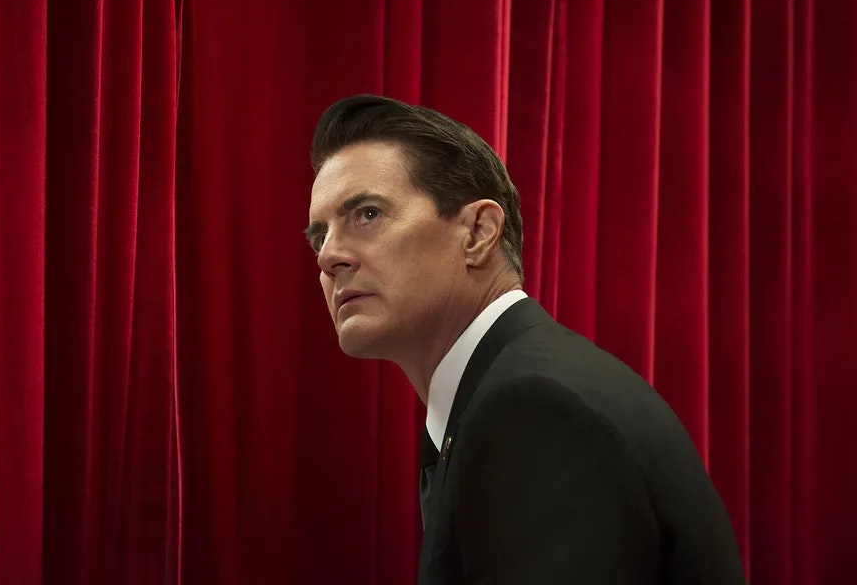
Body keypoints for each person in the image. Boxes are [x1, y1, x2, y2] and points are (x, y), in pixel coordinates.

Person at [305, 94, 746, 584]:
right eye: (319, 237)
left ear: (478, 233)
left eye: (367, 215)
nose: (329, 256)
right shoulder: (508, 392)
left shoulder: (534, 410)